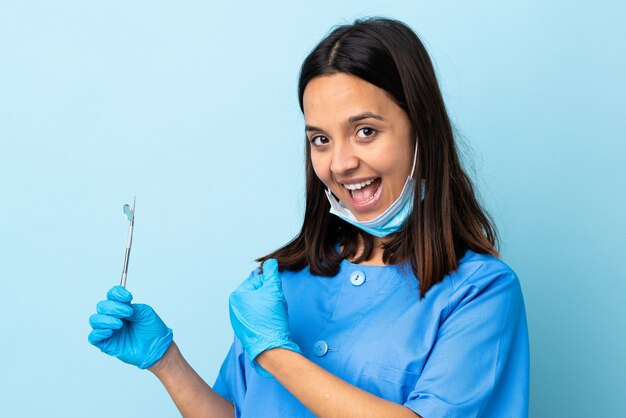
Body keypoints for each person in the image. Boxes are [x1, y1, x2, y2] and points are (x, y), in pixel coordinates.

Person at [88, 17, 529, 418]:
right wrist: (167, 362)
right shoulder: (282, 283)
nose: (339, 163)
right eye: (320, 139)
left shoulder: (480, 293)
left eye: (365, 131)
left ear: (422, 129)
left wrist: (276, 353)